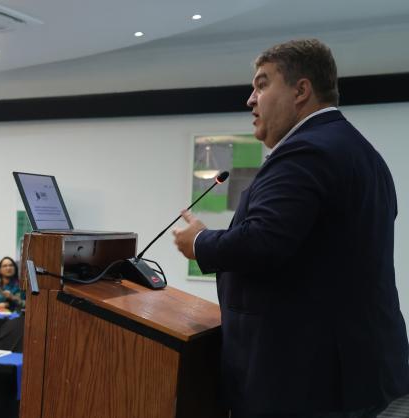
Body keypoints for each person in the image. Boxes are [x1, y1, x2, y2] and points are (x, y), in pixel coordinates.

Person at [171, 39, 407, 417]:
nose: (250, 99)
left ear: (301, 91)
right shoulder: (363, 154)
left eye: (262, 85)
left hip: (307, 381)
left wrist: (200, 242)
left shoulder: (307, 151)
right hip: (357, 374)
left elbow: (263, 242)